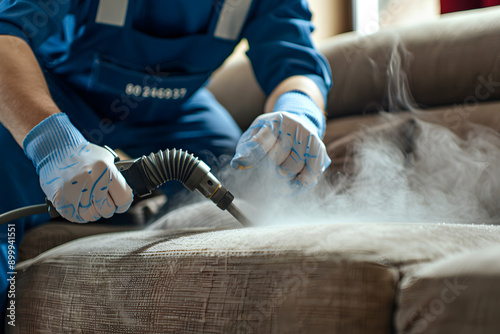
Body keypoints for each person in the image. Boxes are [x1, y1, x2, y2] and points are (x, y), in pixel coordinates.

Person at [0, 0, 332, 322]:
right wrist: (53, 144)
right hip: (56, 97)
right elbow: (7, 32)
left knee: (245, 179)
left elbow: (297, 64)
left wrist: (299, 110)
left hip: (175, 112)